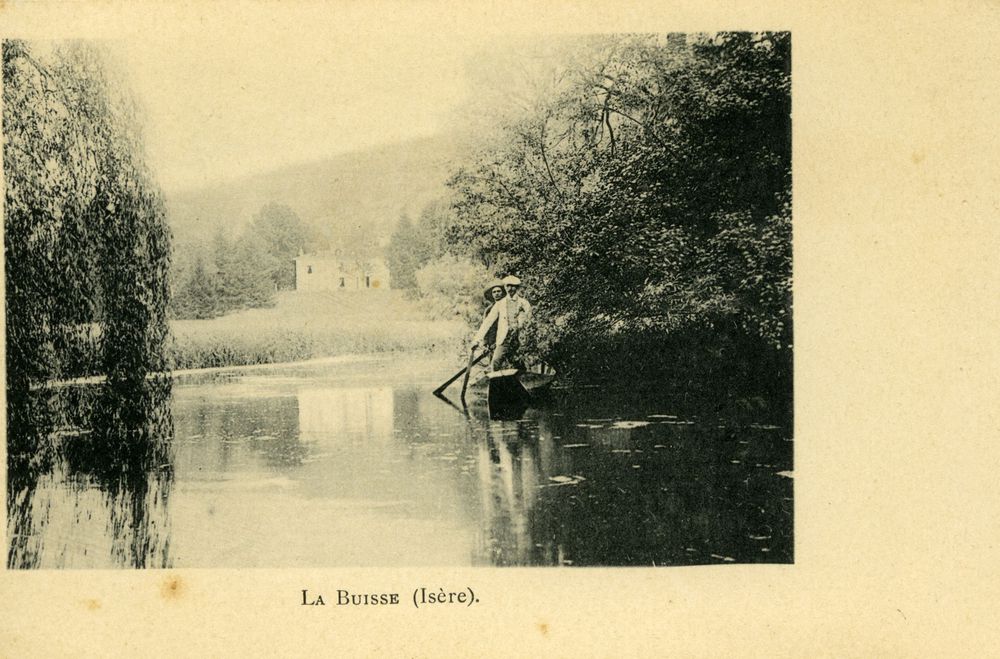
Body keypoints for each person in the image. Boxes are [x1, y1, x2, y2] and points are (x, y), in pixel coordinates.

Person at [472, 274, 532, 372]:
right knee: (496, 362)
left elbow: (529, 322)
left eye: (513, 286)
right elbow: (488, 321)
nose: (510, 289)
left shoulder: (524, 303)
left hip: (519, 339)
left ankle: (525, 380)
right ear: (505, 287)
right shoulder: (500, 304)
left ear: (517, 288)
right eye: (508, 286)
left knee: (520, 364)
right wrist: (477, 340)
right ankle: (495, 381)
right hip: (504, 339)